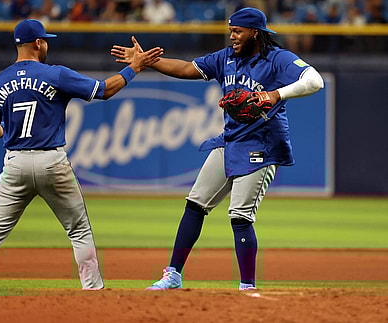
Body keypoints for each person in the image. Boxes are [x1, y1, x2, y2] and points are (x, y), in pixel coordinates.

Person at [111, 7, 324, 290]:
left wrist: (275, 94)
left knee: (240, 215)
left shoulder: (277, 59)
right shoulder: (226, 58)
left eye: (237, 31)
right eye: (231, 30)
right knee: (195, 203)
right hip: (230, 140)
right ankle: (173, 274)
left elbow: (315, 81)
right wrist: (147, 62)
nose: (232, 36)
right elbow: (188, 68)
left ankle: (247, 286)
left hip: (262, 145)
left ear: (255, 33)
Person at [0, 19, 163, 302]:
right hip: (52, 162)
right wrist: (135, 68)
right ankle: (93, 292)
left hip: (15, 163)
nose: (47, 45)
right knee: (78, 230)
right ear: (39, 43)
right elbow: (103, 90)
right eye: (46, 41)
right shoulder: (55, 74)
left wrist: (14, 128)